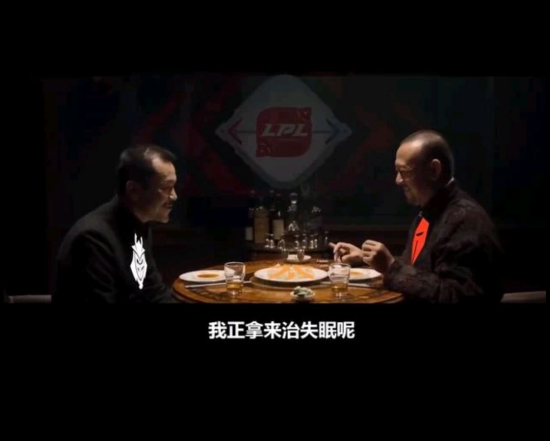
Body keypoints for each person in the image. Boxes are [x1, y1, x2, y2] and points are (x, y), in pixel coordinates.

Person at [331, 130, 504, 303]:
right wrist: (366, 258)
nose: (398, 180)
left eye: (404, 171)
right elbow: (419, 270)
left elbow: (456, 295)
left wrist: (391, 267)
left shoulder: (465, 220)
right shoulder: (431, 212)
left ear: (434, 170)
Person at [53, 145, 179, 303]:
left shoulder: (139, 224)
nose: (174, 196)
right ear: (133, 191)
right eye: (167, 188)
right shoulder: (93, 239)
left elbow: (152, 291)